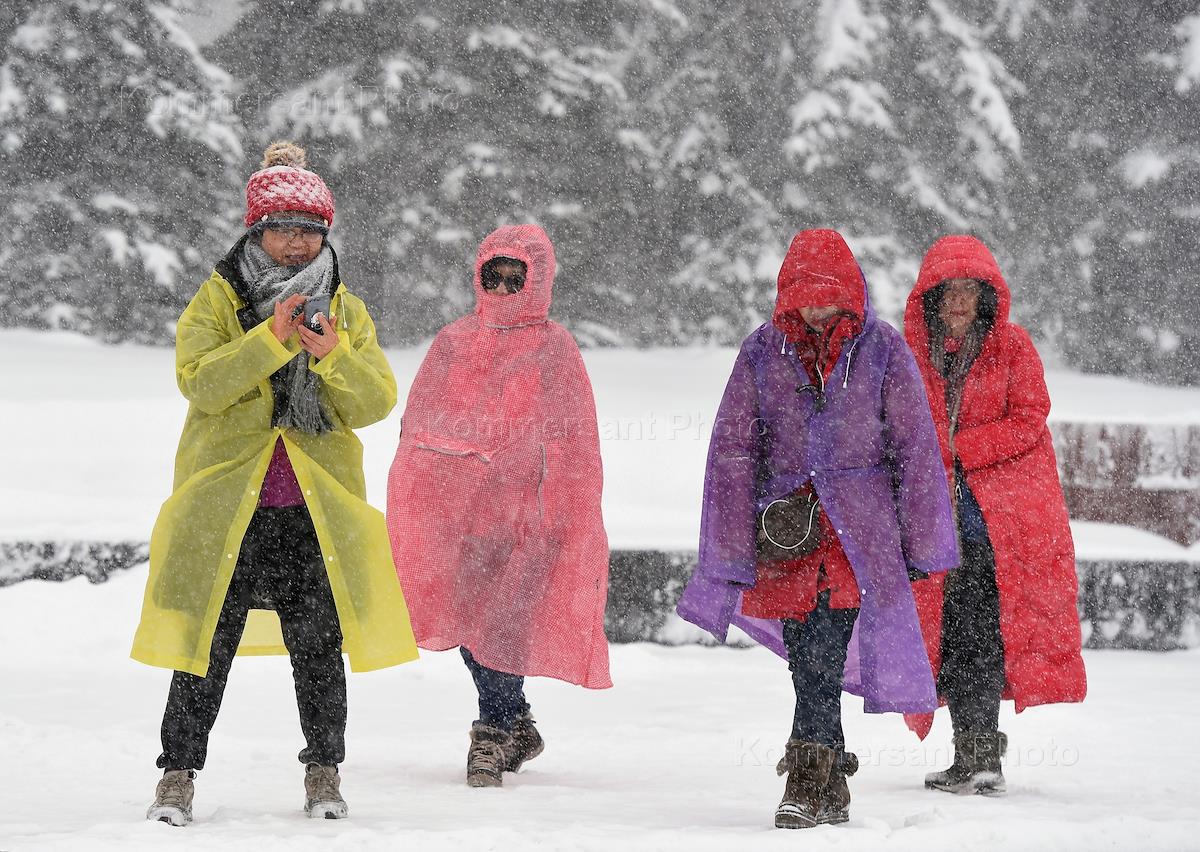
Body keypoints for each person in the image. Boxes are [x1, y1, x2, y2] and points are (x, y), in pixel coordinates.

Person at [131, 142, 418, 826]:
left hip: (315, 512)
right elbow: (200, 384)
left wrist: (332, 355)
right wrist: (268, 341)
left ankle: (324, 771)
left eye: (310, 230)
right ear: (257, 229)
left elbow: (376, 401)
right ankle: (177, 775)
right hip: (225, 507)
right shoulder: (217, 300)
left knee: (319, 648)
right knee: (204, 645)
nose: (297, 243)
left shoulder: (345, 310)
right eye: (283, 228)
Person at [676, 228, 958, 829]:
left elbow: (915, 448)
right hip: (789, 534)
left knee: (820, 651)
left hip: (860, 536)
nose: (817, 309)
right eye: (805, 297)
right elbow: (734, 447)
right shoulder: (763, 350)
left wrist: (920, 538)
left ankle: (806, 778)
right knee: (808, 655)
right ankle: (830, 780)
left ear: (850, 292)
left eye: (829, 296)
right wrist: (730, 537)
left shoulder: (882, 349)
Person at [386, 224, 610, 788]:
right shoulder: (454, 341)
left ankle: (494, 730)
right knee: (471, 624)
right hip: (465, 514)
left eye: (517, 278)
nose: (506, 289)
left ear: (539, 281)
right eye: (496, 277)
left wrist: (562, 506)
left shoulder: (554, 347)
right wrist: (434, 485)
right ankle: (513, 722)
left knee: (502, 624)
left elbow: (574, 436)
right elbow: (422, 425)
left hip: (528, 517)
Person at [903, 235, 1087, 795]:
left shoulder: (1012, 346)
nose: (959, 300)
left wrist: (959, 446)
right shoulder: (914, 354)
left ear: (985, 296)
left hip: (994, 525)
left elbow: (1031, 415)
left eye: (969, 289)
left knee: (977, 636)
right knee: (946, 638)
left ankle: (980, 754)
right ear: (932, 297)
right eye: (948, 290)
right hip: (933, 521)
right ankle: (974, 754)